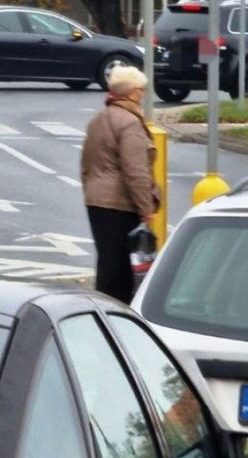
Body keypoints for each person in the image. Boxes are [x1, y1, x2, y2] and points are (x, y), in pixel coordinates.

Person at [80, 66, 158, 303]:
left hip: (96, 201)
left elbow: (86, 162)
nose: (143, 94)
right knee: (121, 271)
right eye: (141, 90)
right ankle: (115, 315)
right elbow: (136, 171)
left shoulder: (99, 119)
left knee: (107, 263)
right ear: (132, 93)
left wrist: (91, 191)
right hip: (120, 204)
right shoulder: (130, 123)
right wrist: (146, 208)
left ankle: (101, 311)